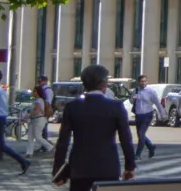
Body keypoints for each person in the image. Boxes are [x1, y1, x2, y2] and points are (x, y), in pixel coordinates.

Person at [52, 63, 136, 191]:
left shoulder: (72, 107)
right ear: (103, 84)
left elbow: (63, 141)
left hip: (79, 168)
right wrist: (130, 166)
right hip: (108, 167)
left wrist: (58, 170)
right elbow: (126, 140)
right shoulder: (116, 107)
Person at [130, 74, 165, 159]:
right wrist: (134, 98)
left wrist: (162, 114)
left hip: (147, 115)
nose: (143, 83)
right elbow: (131, 101)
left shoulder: (151, 91)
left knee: (141, 133)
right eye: (141, 81)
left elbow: (158, 104)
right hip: (138, 115)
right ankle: (150, 146)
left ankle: (137, 154)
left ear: (147, 82)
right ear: (138, 82)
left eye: (145, 81)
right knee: (139, 134)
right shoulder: (136, 90)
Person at [25, 83, 54, 157]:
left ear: (38, 92)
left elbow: (36, 112)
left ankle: (50, 147)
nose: (33, 92)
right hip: (34, 120)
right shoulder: (37, 100)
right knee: (30, 136)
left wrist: (29, 114)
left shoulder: (39, 101)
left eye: (34, 91)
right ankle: (29, 152)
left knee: (37, 136)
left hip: (38, 120)